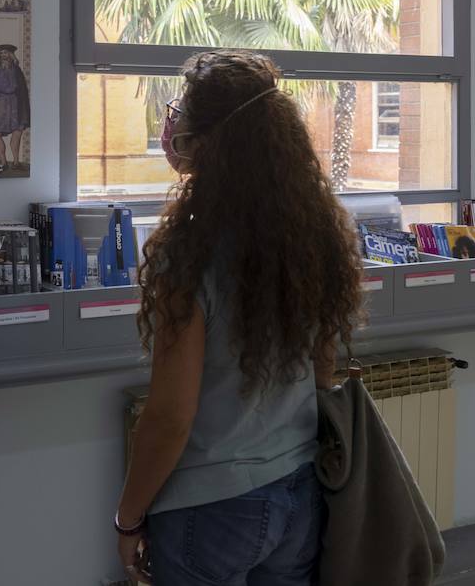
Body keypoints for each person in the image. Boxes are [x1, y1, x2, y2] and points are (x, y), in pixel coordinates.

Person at [115, 50, 361, 586]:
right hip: (299, 492)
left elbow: (170, 418)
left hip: (210, 508)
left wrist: (127, 518)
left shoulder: (188, 253)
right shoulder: (312, 234)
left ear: (207, 142)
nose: (171, 124)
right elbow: (321, 377)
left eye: (179, 115)